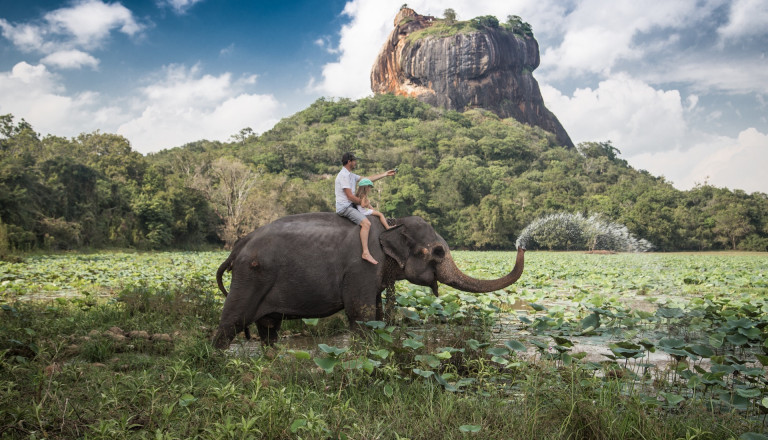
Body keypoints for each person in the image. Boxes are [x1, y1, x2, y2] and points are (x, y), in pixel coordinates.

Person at [335, 152, 395, 264]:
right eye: (354, 161)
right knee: (366, 224)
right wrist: (364, 204)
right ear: (349, 162)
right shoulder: (343, 176)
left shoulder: (351, 175)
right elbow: (350, 196)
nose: (356, 163)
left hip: (351, 204)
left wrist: (385, 174)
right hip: (345, 207)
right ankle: (365, 252)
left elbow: (367, 179)